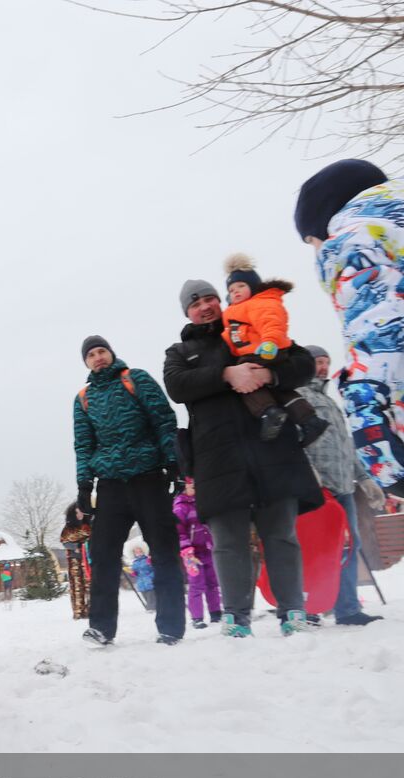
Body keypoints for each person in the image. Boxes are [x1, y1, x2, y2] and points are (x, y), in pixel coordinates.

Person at [164, 280, 322, 638]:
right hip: (218, 459)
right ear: (187, 312)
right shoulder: (180, 352)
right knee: (228, 543)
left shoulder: (249, 326)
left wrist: (270, 373)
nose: (205, 306)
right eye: (196, 303)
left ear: (220, 302)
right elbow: (176, 385)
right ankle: (236, 617)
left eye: (210, 299)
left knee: (281, 535)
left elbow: (303, 364)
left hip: (272, 450)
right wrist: (225, 374)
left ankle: (293, 611)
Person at [295, 158, 404, 490]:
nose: (316, 252)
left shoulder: (353, 243)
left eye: (311, 242)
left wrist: (372, 433)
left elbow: (379, 330)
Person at [73, 335, 185, 646]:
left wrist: (173, 463)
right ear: (86, 362)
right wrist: (84, 485)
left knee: (163, 550)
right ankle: (101, 627)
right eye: (91, 355)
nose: (98, 357)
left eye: (102, 351)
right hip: (111, 485)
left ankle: (171, 626)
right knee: (102, 554)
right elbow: (83, 445)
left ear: (111, 353)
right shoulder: (83, 398)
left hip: (147, 477)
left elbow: (164, 420)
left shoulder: (135, 379)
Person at [301, 345, 387, 625]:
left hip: (343, 487)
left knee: (349, 545)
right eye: (318, 362)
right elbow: (294, 440)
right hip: (318, 489)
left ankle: (347, 609)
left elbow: (346, 446)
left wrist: (365, 479)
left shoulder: (329, 401)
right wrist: (308, 473)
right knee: (317, 547)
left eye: (326, 362)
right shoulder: (298, 397)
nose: (324, 367)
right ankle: (311, 608)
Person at [220, 254, 327, 444]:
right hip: (259, 351)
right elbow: (232, 335)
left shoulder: (259, 303)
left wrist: (270, 343)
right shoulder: (237, 310)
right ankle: (309, 420)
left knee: (246, 382)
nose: (236, 292)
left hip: (265, 350)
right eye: (231, 289)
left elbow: (272, 323)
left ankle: (269, 412)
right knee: (279, 388)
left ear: (254, 287)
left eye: (241, 286)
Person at [173, 477, 222, 629]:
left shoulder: (204, 502)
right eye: (192, 487)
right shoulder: (181, 507)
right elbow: (179, 531)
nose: (196, 490)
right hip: (191, 554)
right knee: (196, 584)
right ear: (185, 487)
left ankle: (216, 612)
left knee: (213, 583)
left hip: (208, 549)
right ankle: (197, 617)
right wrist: (186, 548)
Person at [59, 502, 91, 620]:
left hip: (89, 559)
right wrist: (76, 546)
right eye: (77, 512)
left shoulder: (90, 525)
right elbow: (64, 542)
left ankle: (91, 610)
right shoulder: (68, 528)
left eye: (81, 512)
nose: (79, 514)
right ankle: (79, 611)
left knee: (90, 584)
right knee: (77, 585)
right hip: (75, 560)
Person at [129, 545, 156, 611]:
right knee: (145, 596)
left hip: (149, 582)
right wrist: (133, 573)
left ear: (143, 551)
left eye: (140, 551)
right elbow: (135, 572)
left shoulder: (148, 560)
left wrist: (151, 576)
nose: (138, 553)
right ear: (134, 553)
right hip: (141, 583)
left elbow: (154, 569)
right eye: (136, 552)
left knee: (151, 597)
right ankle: (151, 608)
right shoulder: (135, 563)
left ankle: (152, 608)